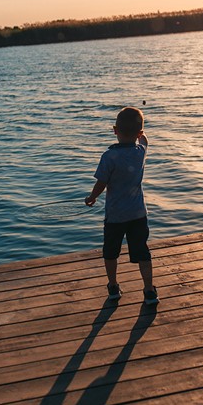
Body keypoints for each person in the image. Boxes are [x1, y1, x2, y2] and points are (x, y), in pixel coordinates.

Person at [85, 106, 159, 305]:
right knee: (142, 252)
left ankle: (113, 287)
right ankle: (149, 290)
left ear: (115, 130)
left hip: (116, 216)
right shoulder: (140, 152)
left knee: (110, 252)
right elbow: (144, 141)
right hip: (138, 215)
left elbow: (102, 182)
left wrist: (92, 197)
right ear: (139, 133)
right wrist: (142, 134)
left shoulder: (109, 157)